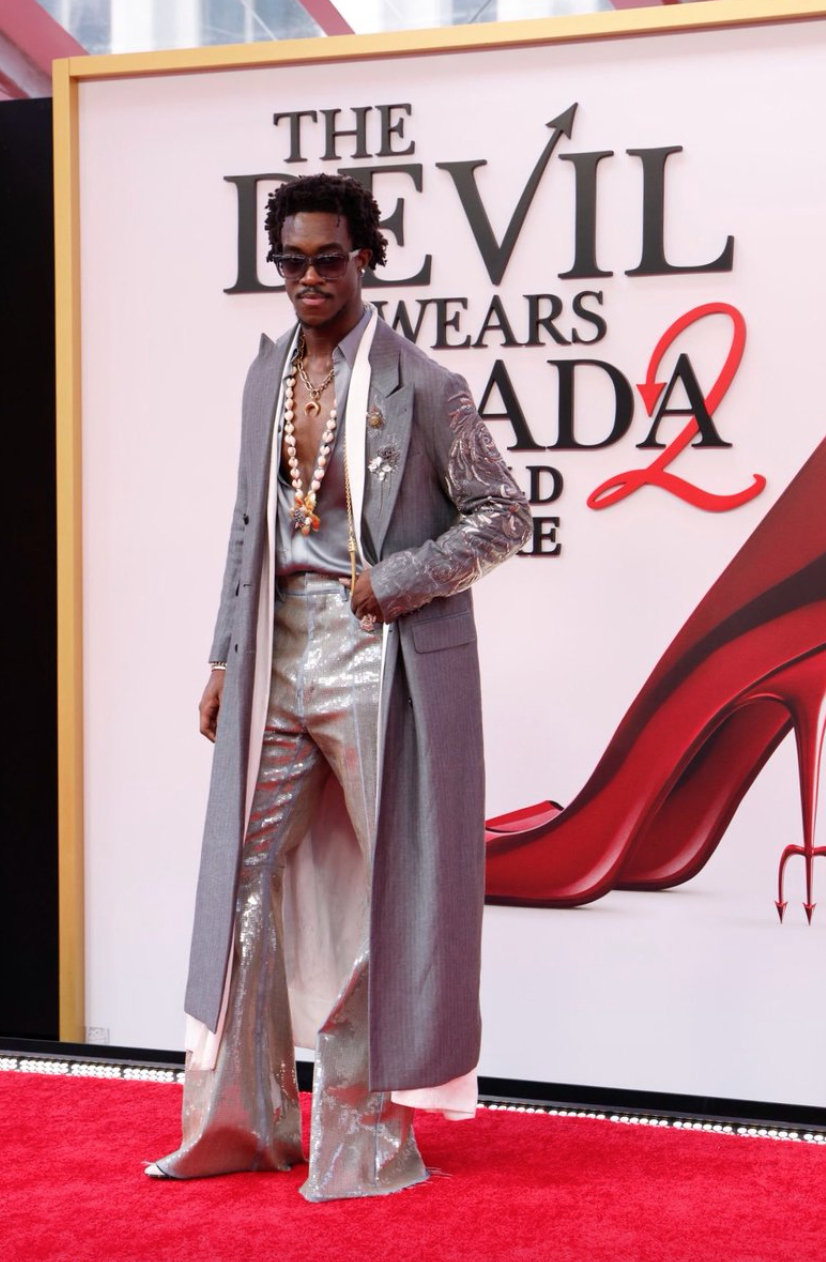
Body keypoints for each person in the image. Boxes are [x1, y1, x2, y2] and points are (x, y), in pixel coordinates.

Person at [145, 173, 532, 1201]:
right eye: (292, 261)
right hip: (276, 654)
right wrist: (223, 657)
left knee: (385, 891)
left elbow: (504, 514)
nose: (308, 278)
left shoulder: (426, 383)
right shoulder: (264, 375)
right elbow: (247, 526)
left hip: (380, 652)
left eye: (328, 259)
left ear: (366, 258)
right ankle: (239, 1123)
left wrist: (395, 580)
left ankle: (362, 1138)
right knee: (239, 876)